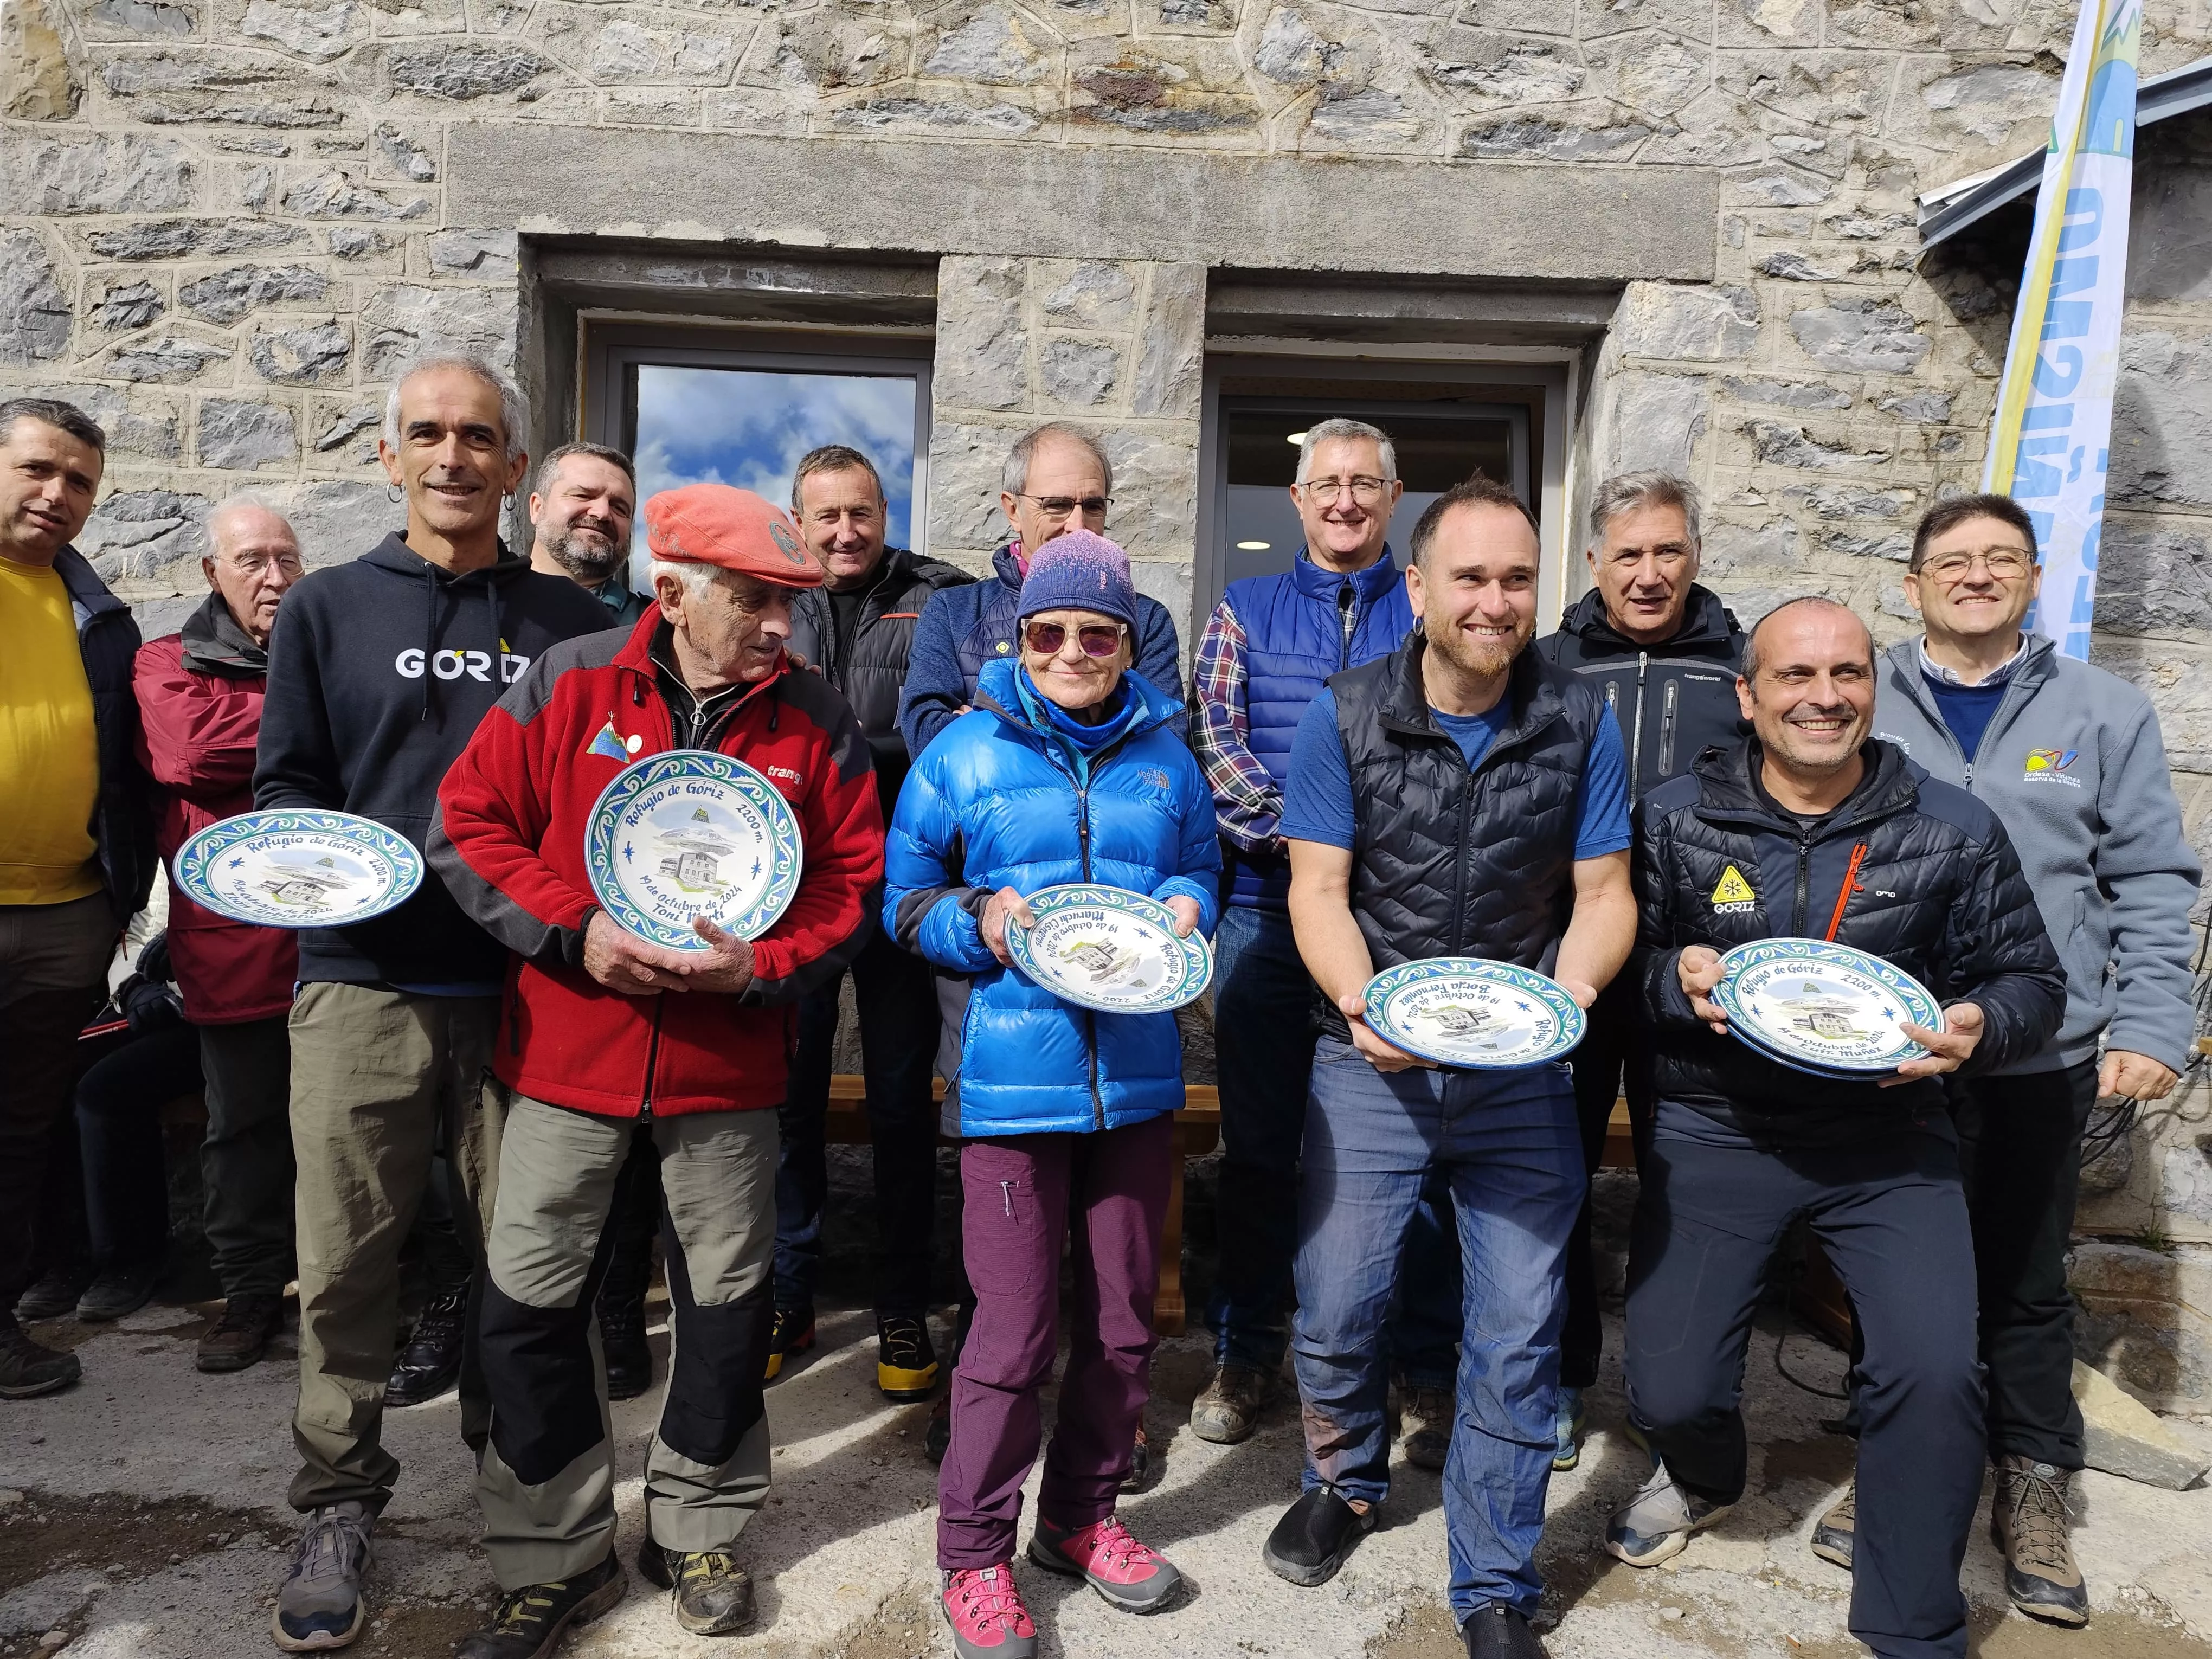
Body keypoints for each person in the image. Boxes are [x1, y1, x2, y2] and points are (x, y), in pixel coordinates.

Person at [432, 483, 884, 1654]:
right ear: (673, 590)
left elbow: (851, 885)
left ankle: (698, 1528)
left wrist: (762, 969)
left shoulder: (816, 719)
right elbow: (469, 825)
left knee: (729, 1309)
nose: (781, 622)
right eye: (754, 598)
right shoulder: (569, 680)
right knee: (529, 1304)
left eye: (791, 601)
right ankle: (553, 1554)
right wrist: (574, 930)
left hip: (726, 1068)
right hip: (566, 1060)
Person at [1612, 597, 2067, 1659]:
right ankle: (1706, 1473)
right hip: (1721, 1126)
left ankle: (1913, 1625)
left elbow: (2030, 980)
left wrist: (1979, 1025)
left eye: (1848, 675)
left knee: (1934, 1371)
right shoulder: (1676, 816)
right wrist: (1673, 984)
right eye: (1797, 676)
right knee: (1667, 1387)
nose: (1825, 697)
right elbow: (1617, 963)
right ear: (1750, 694)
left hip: (1888, 1139)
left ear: (1875, 684)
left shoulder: (1951, 825)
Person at [253, 353, 609, 1652]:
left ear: (516, 469)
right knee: (346, 1263)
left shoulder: (575, 620)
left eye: (477, 437)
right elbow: (281, 790)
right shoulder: (328, 609)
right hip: (362, 982)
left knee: (534, 1273)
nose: (452, 455)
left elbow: (596, 806)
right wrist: (317, 862)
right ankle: (339, 1495)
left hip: (532, 994)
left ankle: (530, 1504)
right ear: (389, 456)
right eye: (426, 434)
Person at [1268, 476, 1636, 1659]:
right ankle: (1349, 1480)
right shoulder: (1344, 712)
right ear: (1417, 587)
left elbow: (1603, 896)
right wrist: (1356, 998)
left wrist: (1569, 999)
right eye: (1469, 578)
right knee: (1335, 1309)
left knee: (1520, 1332)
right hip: (1369, 1060)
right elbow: (1317, 890)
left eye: (1516, 579)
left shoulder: (1583, 720)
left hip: (1523, 1077)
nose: (1494, 602)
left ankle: (1494, 1581)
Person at [1842, 496, 2201, 1624]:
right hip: (1892, 1048)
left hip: (2044, 1054)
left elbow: (2150, 879)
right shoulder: (1861, 692)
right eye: (1952, 561)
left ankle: (2032, 1482)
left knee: (2028, 1283)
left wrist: (2150, 1025)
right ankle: (1890, 1466)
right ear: (1913, 585)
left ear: (2036, 578)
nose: (1977, 577)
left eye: (2001, 560)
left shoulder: (2102, 710)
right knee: (1884, 1277)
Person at [884, 529, 1219, 1659]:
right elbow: (906, 899)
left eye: (1097, 633)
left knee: (1127, 1327)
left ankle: (1079, 1518)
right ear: (1019, 636)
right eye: (1048, 631)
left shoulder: (1170, 759)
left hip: (1135, 1081)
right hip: (1010, 1091)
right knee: (1013, 1335)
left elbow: (1201, 870)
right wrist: (973, 921)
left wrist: (1185, 904)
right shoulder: (963, 754)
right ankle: (973, 1554)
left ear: (1127, 643)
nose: (1072, 650)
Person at [1187, 416, 1460, 1464]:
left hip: (1397, 925)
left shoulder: (1426, 604)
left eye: (1365, 484)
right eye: (1325, 484)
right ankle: (1246, 1350)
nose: (1344, 501)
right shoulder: (1244, 610)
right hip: (1262, 915)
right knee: (1259, 1152)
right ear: (1296, 501)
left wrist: (1364, 864)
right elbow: (1218, 743)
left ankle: (1422, 1366)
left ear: (1394, 500)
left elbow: (1447, 753)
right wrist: (1317, 848)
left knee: (1417, 1153)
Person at [1532, 471, 1745, 1470]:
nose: (1649, 574)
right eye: (1629, 554)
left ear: (1695, 557)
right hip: (1570, 959)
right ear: (1594, 565)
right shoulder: (1548, 666)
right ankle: (1563, 1377)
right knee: (1552, 1178)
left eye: (1668, 552)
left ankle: (1677, 1403)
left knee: (1687, 1184)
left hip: (1698, 976)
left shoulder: (1743, 668)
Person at [776, 443, 973, 1394]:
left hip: (904, 885)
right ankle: (788, 1294)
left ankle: (903, 1306)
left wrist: (850, 748)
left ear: (886, 516)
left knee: (901, 1107)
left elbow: (959, 727)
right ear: (799, 522)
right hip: (795, 893)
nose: (846, 533)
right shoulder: (773, 596)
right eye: (827, 517)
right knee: (790, 1098)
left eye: (862, 514)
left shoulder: (943, 597)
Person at [132, 493, 306, 1369]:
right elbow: (187, 753)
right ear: (212, 573)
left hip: (337, 947)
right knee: (242, 1132)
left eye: (287, 560)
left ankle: (358, 1294)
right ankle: (247, 1295)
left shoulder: (323, 653)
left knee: (355, 1136)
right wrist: (312, 722)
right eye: (252, 561)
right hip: (231, 949)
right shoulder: (168, 660)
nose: (274, 577)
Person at [1, 397, 152, 1400]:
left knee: (20, 1132)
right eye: (39, 470)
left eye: (81, 482)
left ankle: (1, 1323)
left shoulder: (100, 616)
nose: (59, 496)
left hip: (62, 914)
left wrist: (119, 904)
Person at [522, 439, 659, 1403]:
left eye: (619, 501)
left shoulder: (652, 628)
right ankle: (472, 1309)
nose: (601, 513)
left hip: (624, 923)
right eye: (583, 495)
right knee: (502, 1147)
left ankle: (619, 1301)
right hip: (511, 905)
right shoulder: (498, 611)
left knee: (633, 1140)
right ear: (535, 504)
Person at [899, 422, 1182, 756]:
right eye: (1057, 505)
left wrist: (980, 726)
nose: (1078, 526)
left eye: (1093, 506)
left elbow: (1166, 745)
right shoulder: (953, 613)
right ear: (1013, 510)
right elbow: (926, 738)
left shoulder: (1146, 620)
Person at [527, 440, 647, 628]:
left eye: (619, 508)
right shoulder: (479, 603)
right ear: (537, 508)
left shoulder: (656, 631)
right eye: (583, 496)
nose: (603, 513)